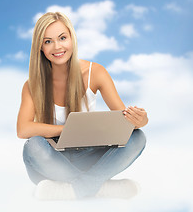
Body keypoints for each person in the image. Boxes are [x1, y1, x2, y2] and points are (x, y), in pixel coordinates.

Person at [17, 11, 148, 200]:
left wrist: (141, 120)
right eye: (48, 41)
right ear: (40, 47)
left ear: (72, 38)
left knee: (138, 138)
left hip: (90, 156)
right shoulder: (32, 85)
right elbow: (23, 129)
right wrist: (68, 130)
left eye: (62, 38)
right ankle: (99, 186)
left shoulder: (95, 72)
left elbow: (124, 120)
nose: (57, 46)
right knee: (33, 146)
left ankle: (74, 189)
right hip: (53, 158)